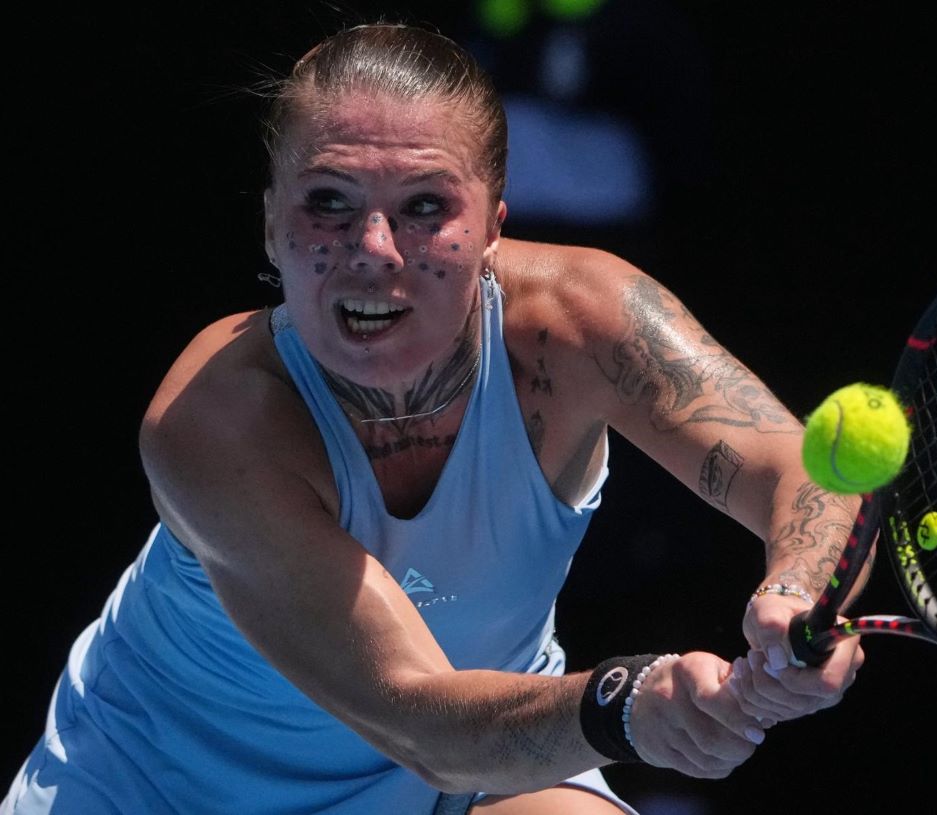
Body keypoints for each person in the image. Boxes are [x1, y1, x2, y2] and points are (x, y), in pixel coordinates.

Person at [3, 23, 865, 815]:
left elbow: (801, 468)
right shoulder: (213, 418)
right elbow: (422, 720)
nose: (375, 248)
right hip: (155, 793)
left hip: (475, 777)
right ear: (270, 224)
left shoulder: (582, 324)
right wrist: (628, 705)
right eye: (329, 201)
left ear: (494, 226)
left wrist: (798, 593)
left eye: (425, 207)